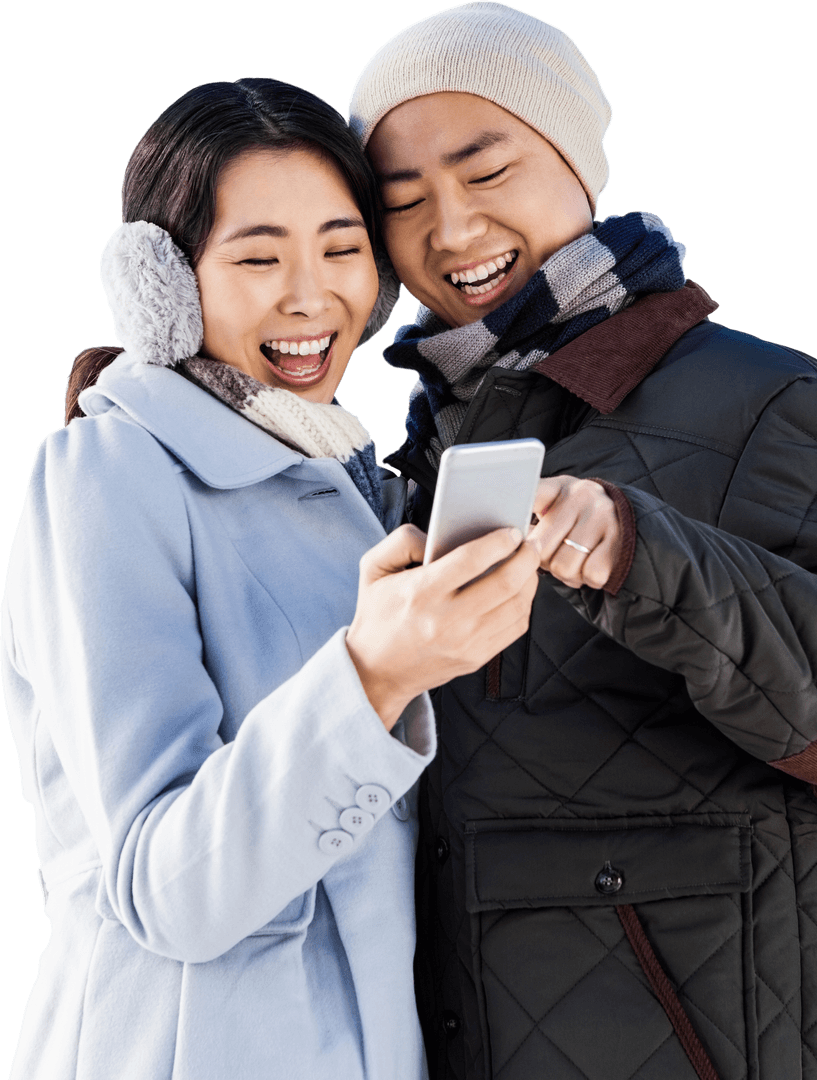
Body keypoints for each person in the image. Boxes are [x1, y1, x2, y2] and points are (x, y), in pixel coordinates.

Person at [347, 5, 817, 1079]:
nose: (450, 230)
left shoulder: (761, 402)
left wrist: (646, 561)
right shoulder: (418, 459)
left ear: (575, 163)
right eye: (403, 202)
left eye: (486, 171)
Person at [0, 77, 542, 1080]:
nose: (309, 296)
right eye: (258, 258)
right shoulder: (108, 475)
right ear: (163, 284)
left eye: (341, 250)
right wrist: (373, 676)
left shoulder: (355, 481)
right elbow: (166, 888)